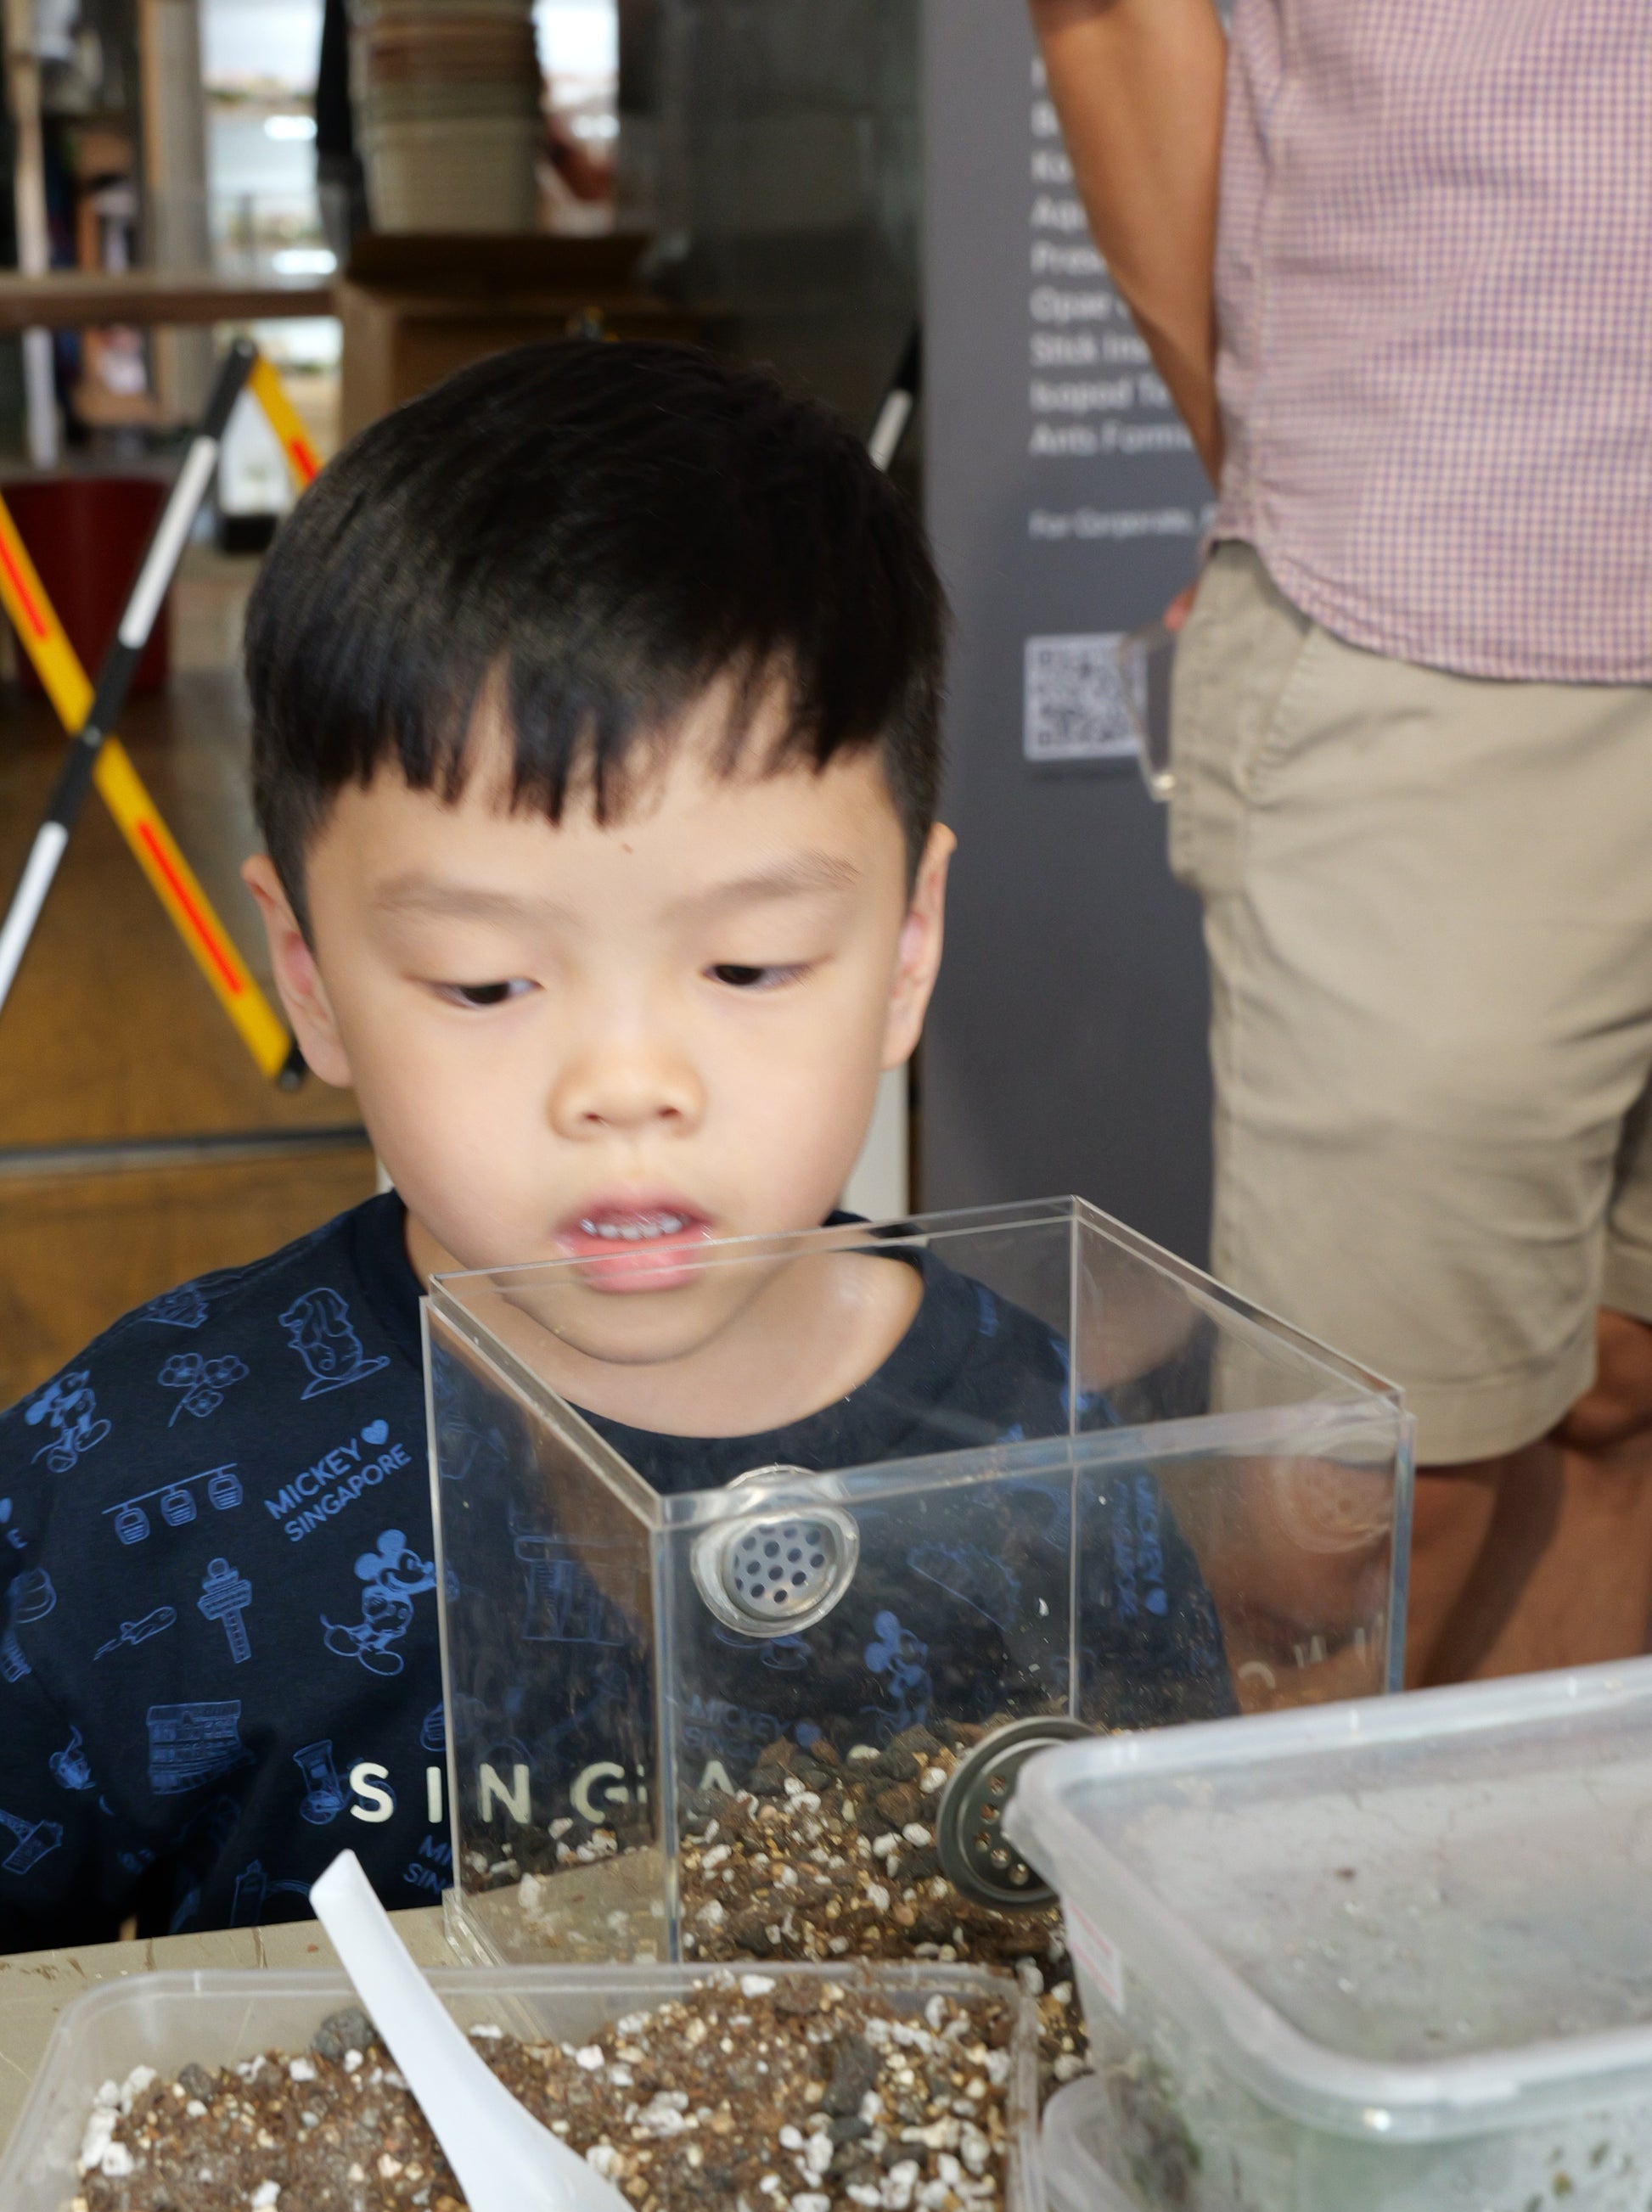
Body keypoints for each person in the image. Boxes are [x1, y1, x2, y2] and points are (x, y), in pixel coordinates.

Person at [0, 340, 1229, 1953]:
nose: (626, 1084)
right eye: (486, 982)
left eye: (747, 966)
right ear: (310, 978)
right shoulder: (130, 1493)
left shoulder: (1040, 1469)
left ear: (907, 946)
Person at [1031, 0, 1652, 1687]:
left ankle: (1547, 1940)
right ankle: (1281, 1936)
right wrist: (1286, 468)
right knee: (1365, 1493)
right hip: (1458, 579)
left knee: (1623, 1381)